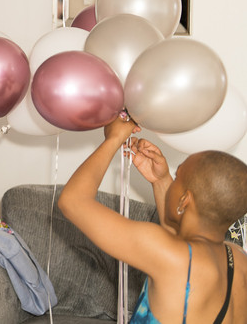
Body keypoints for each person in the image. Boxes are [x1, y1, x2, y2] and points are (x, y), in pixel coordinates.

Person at [59, 115, 247, 323]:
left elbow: (73, 202)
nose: (173, 180)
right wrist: (161, 180)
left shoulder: (170, 254)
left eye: (177, 176)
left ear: (185, 200)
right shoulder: (238, 258)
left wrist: (113, 139)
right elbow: (179, 236)